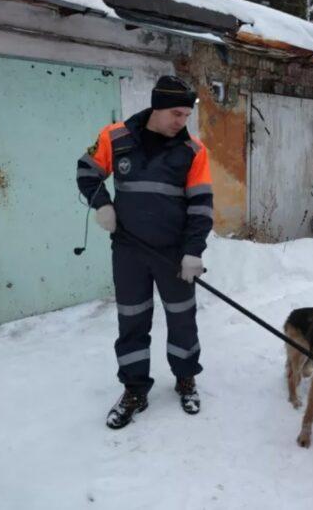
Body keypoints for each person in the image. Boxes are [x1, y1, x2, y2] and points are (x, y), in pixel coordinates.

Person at [76, 75, 213, 429]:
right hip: (129, 252)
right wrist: (102, 205)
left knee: (182, 319)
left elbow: (201, 207)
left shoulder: (194, 151)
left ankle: (186, 378)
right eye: (177, 114)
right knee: (132, 319)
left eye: (186, 115)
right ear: (157, 107)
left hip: (173, 255)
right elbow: (86, 172)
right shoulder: (114, 137)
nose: (182, 122)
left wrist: (193, 253)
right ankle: (134, 388)